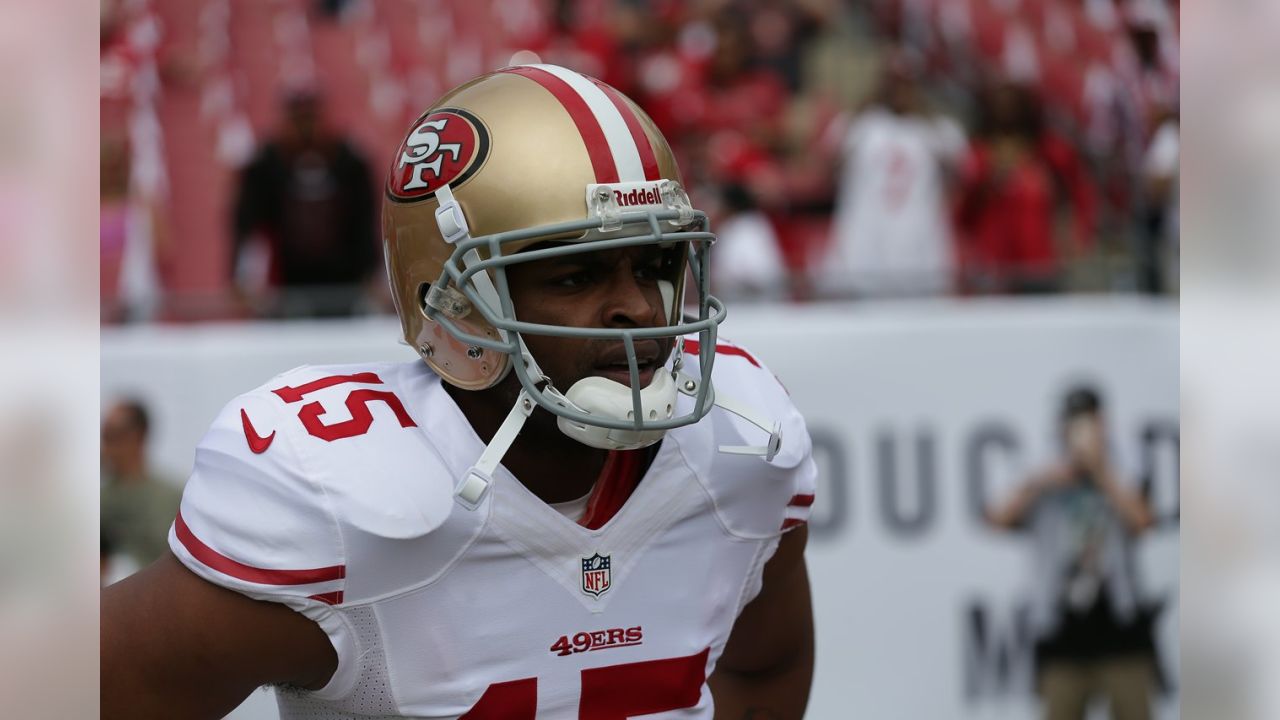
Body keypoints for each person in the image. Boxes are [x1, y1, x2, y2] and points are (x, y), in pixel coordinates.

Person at [103, 64, 817, 719]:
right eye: (576, 275)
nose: (636, 306)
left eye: (656, 261)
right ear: (453, 303)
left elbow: (765, 670)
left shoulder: (743, 449)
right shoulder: (343, 500)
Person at [987, 385, 1157, 720]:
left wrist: (1101, 471)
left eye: (1087, 422)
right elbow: (997, 518)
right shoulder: (1043, 469)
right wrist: (1041, 482)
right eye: (1073, 422)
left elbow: (1143, 521)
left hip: (1120, 630)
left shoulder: (1125, 465)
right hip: (1060, 634)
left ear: (1103, 424)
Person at [818, 57, 967, 298]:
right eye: (892, 83)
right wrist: (863, 105)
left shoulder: (937, 130)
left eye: (905, 83)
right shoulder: (860, 125)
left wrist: (923, 112)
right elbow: (826, 161)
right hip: (865, 237)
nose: (899, 91)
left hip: (918, 237)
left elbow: (961, 169)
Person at [232, 90, 377, 317]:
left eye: (310, 118)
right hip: (284, 285)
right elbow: (244, 224)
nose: (306, 128)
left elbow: (367, 222)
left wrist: (372, 273)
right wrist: (241, 277)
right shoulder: (264, 167)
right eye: (299, 119)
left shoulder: (351, 164)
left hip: (346, 284)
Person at [100, 398, 183, 573]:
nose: (105, 446)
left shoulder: (174, 499)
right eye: (103, 436)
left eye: (113, 435)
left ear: (139, 436)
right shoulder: (96, 501)